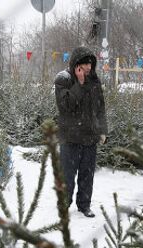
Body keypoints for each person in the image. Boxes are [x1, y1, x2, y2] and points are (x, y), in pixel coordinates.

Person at [54, 46, 107, 218]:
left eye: (90, 64)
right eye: (85, 64)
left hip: (90, 137)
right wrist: (80, 82)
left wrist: (102, 130)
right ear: (77, 64)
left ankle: (84, 205)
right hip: (70, 137)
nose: (89, 67)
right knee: (67, 176)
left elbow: (100, 108)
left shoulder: (95, 81)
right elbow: (65, 106)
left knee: (87, 174)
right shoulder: (64, 79)